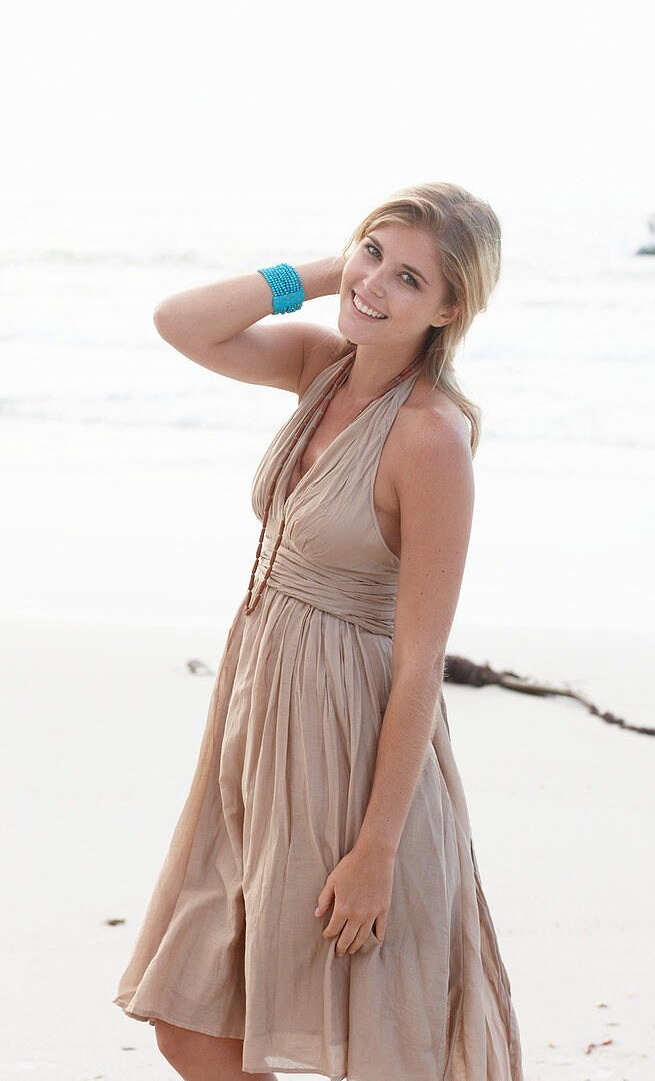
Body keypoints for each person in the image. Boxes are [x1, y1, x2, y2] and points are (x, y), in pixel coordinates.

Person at [113, 181, 524, 1081]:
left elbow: (419, 665)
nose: (376, 283)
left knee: (377, 1036)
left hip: (351, 740)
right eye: (374, 251)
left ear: (450, 309)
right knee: (196, 1022)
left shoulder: (428, 439)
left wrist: (376, 852)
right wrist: (341, 272)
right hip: (258, 718)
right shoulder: (318, 365)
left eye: (411, 278)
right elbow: (181, 320)